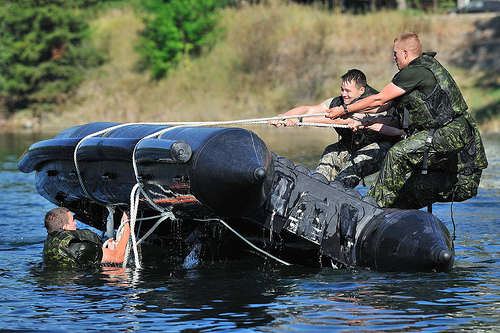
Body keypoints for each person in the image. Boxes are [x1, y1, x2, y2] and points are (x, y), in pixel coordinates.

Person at [326, 32, 487, 208]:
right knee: (409, 182)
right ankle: (388, 212)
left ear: (405, 53)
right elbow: (383, 106)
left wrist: (344, 109)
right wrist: (363, 120)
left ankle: (370, 207)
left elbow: (379, 99)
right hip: (443, 133)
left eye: (395, 53)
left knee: (397, 153)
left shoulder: (415, 72)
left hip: (450, 131)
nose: (393, 57)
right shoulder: (415, 72)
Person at [270, 69, 401, 188]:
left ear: (361, 90)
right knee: (331, 151)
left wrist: (299, 120)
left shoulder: (372, 104)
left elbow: (343, 120)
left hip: (378, 147)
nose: (344, 94)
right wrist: (284, 116)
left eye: (348, 91)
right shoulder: (338, 102)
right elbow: (309, 109)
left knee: (355, 165)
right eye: (342, 89)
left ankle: (340, 194)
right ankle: (316, 190)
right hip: (351, 146)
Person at [43, 207, 131, 269]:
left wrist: (107, 250)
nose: (75, 223)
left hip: (60, 284)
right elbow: (118, 257)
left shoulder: (51, 241)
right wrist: (127, 224)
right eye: (73, 220)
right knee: (120, 276)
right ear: (65, 227)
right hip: (77, 287)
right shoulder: (79, 248)